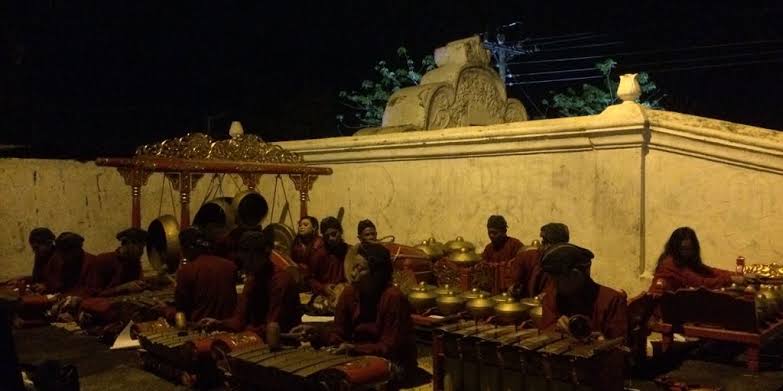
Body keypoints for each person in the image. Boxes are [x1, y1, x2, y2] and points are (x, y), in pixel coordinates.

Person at [292, 243, 417, 385]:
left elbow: (388, 347)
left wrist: (355, 349)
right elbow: (339, 333)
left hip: (394, 362)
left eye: (361, 269)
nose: (352, 274)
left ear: (377, 275)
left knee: (344, 382)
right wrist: (317, 334)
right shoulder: (349, 293)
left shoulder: (393, 298)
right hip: (358, 354)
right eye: (354, 267)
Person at [198, 230, 301, 336]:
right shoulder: (253, 279)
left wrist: (244, 332)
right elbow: (239, 319)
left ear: (263, 254)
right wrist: (218, 324)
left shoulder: (281, 280)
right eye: (243, 259)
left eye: (249, 259)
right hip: (256, 337)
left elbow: (273, 327)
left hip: (283, 342)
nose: (245, 264)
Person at [538, 243, 627, 340]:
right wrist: (557, 330)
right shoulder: (552, 297)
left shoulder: (612, 301)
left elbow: (621, 346)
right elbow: (545, 333)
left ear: (575, 275)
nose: (553, 286)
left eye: (557, 281)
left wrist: (600, 342)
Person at [649, 227, 742, 293]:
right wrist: (731, 279)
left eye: (690, 249)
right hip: (663, 315)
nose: (687, 253)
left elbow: (709, 271)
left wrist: (736, 275)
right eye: (683, 249)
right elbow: (701, 283)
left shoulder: (685, 260)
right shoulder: (669, 264)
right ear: (675, 248)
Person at [174, 226, 238, 322]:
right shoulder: (231, 265)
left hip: (200, 328)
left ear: (188, 248)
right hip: (228, 326)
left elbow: (182, 312)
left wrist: (166, 310)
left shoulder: (187, 270)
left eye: (182, 248)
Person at [78, 228, 148, 297]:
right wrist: (123, 288)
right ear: (128, 243)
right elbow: (94, 294)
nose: (142, 252)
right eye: (140, 248)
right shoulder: (104, 260)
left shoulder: (134, 262)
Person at [509, 223, 569, 299]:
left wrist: (549, 295)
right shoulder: (526, 257)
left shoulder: (568, 264)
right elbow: (513, 281)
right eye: (544, 242)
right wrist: (513, 288)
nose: (545, 246)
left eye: (551, 243)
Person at [306, 216, 348, 299]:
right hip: (325, 296)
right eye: (327, 236)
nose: (331, 238)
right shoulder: (319, 254)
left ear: (341, 231)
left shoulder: (349, 251)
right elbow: (308, 279)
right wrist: (323, 287)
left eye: (334, 234)